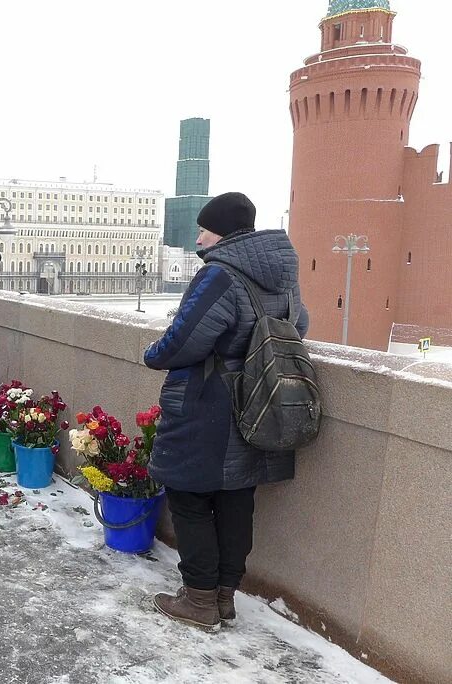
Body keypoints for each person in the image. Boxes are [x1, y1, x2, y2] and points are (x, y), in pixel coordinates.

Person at [142, 192, 308, 630]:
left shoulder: (219, 274)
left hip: (208, 403)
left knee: (189, 496)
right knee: (236, 498)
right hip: (260, 401)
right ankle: (223, 597)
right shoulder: (282, 275)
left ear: (223, 233)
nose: (198, 238)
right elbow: (299, 326)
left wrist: (152, 353)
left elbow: (185, 340)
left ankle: (198, 601)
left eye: (203, 230)